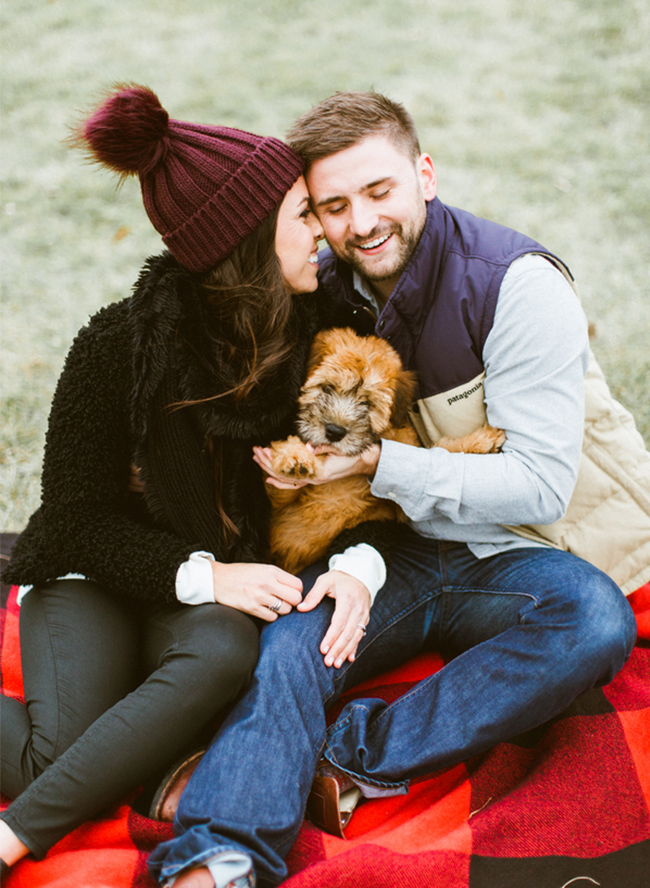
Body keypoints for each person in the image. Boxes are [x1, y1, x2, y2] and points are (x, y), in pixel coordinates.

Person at [147, 91, 648, 888]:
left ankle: (343, 758)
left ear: (424, 175)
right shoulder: (328, 289)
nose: (362, 223)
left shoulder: (516, 286)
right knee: (291, 643)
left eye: (379, 192)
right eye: (334, 206)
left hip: (514, 550)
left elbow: (538, 491)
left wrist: (377, 464)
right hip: (386, 547)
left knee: (592, 620)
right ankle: (217, 855)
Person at [0, 85, 384, 881]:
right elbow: (72, 521)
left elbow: (364, 471)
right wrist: (205, 574)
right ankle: (22, 832)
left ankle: (133, 773)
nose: (322, 232)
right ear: (245, 242)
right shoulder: (117, 347)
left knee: (226, 656)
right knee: (56, 753)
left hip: (204, 607)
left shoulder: (321, 331)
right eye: (303, 217)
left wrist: (343, 566)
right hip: (96, 578)